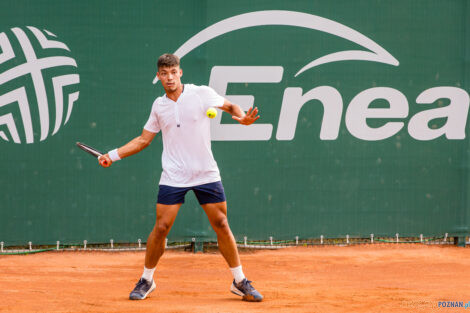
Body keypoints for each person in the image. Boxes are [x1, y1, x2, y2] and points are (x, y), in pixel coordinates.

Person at [99, 53, 263, 302]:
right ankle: (147, 279)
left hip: (205, 172)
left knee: (221, 224)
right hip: (174, 175)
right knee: (162, 227)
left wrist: (241, 119)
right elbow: (144, 140)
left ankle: (240, 281)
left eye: (173, 72)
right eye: (164, 74)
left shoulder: (200, 93)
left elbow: (230, 106)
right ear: (158, 76)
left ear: (180, 72)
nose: (169, 77)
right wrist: (112, 155)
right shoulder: (159, 106)